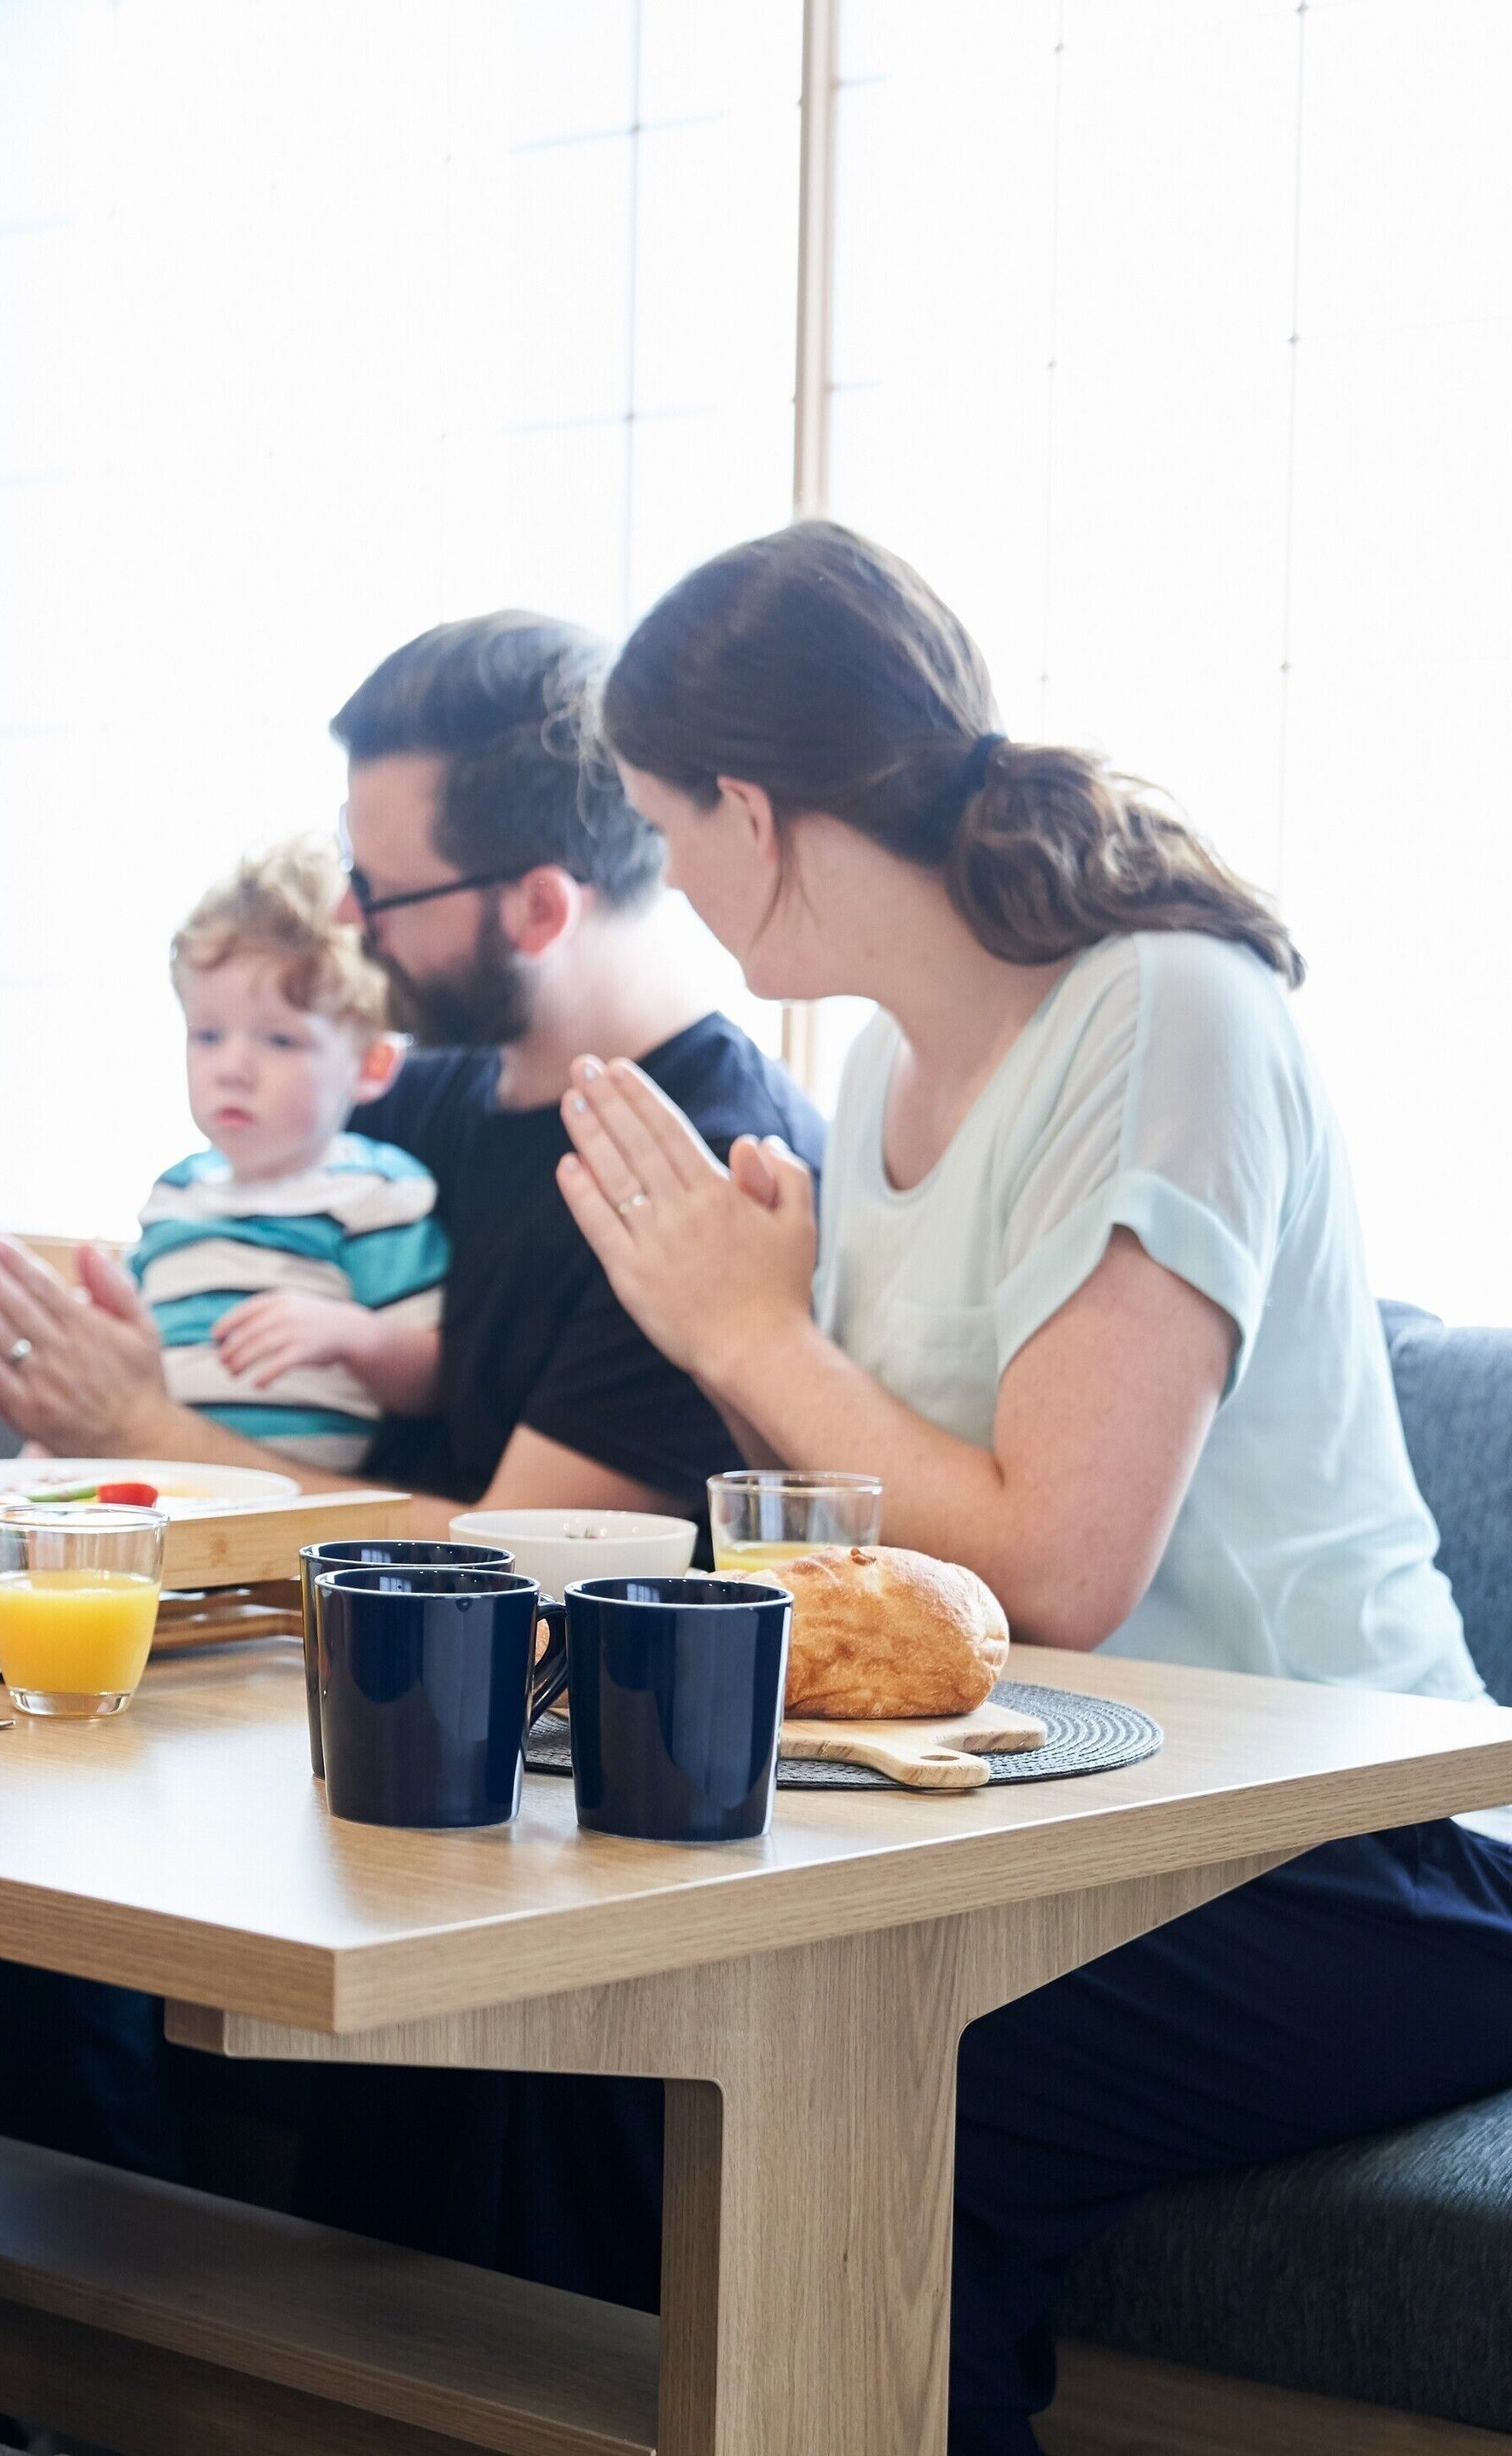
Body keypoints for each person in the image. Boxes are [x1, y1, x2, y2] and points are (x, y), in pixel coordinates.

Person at [566, 519, 1512, 2454]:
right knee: (585, 2050)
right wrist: (736, 1338)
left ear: (750, 807)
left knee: (849, 2082)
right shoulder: (891, 1080)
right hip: (1064, 1819)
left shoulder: (1165, 1009)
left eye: (665, 823)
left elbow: (1054, 1570)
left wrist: (750, 1334)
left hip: (1361, 1843)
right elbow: (878, 1570)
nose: (668, 876)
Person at [0, 611, 823, 1528]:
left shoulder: (703, 1180)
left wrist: (140, 1430)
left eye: (383, 889)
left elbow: (522, 1556)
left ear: (539, 911)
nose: (348, 915)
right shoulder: (398, 1102)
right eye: (352, 867)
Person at [141, 837, 444, 1473]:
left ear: (371, 1065)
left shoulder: (374, 1192)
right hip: (158, 1485)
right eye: (208, 1035)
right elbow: (126, 1353)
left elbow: (432, 1380)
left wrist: (349, 1334)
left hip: (303, 1512)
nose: (233, 1068)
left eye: (280, 1039)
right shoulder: (175, 1195)